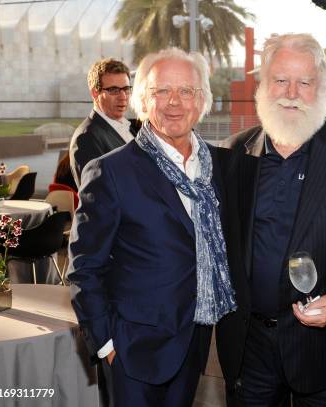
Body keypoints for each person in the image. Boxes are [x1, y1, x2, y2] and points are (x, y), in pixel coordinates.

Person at [216, 33, 326, 406]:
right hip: (251, 349)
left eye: (304, 82)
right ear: (263, 86)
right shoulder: (233, 154)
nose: (291, 92)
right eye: (280, 80)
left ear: (321, 88)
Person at [68, 48, 236, 407]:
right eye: (161, 91)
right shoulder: (110, 172)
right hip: (134, 350)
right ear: (143, 100)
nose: (174, 102)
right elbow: (85, 267)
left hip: (195, 341)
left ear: (202, 100)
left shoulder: (217, 168)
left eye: (186, 91)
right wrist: (108, 345)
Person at [69, 58, 141, 187]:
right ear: (95, 93)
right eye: (114, 90)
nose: (123, 96)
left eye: (126, 89)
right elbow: (97, 196)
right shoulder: (85, 139)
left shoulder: (133, 128)